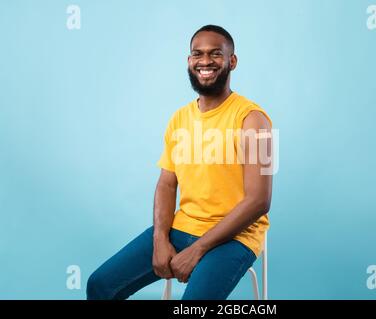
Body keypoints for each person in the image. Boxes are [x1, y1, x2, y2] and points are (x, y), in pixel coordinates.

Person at [87, 25, 273, 300]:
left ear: (232, 61)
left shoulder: (253, 120)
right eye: (198, 54)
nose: (206, 61)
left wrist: (198, 249)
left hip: (234, 238)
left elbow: (259, 201)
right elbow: (166, 183)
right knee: (99, 285)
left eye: (216, 54)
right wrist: (160, 239)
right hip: (182, 228)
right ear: (189, 61)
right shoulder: (179, 119)